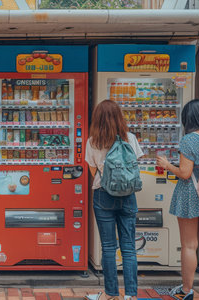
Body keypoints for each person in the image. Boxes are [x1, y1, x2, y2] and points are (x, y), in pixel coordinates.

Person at [84, 100, 143, 300]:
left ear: (97, 118)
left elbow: (93, 171)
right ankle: (131, 295)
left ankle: (111, 294)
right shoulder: (131, 138)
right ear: (119, 117)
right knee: (128, 247)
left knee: (109, 247)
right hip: (128, 196)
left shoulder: (92, 141)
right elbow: (136, 164)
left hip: (103, 195)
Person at [156, 99, 199, 300]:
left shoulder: (189, 140)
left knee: (189, 244)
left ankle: (186, 290)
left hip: (190, 194)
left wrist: (166, 164)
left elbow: (185, 173)